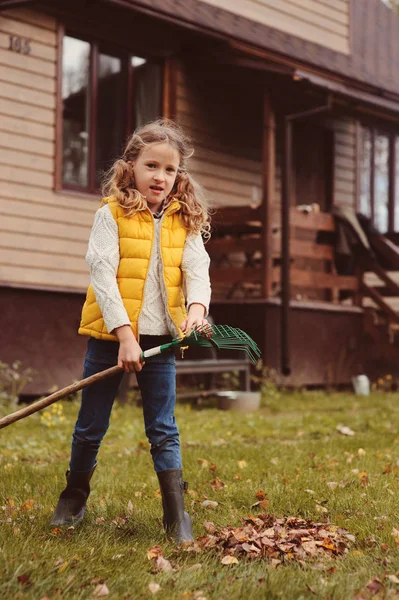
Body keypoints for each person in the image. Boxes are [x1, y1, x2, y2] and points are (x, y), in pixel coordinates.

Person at [50, 119, 211, 544]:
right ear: (131, 167)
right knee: (91, 424)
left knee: (163, 428)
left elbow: (198, 270)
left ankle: (176, 515)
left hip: (161, 339)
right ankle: (73, 497)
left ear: (179, 176)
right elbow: (102, 275)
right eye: (152, 166)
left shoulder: (184, 220)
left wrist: (196, 311)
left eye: (170, 170)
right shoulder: (111, 214)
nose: (160, 177)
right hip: (110, 337)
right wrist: (124, 336)